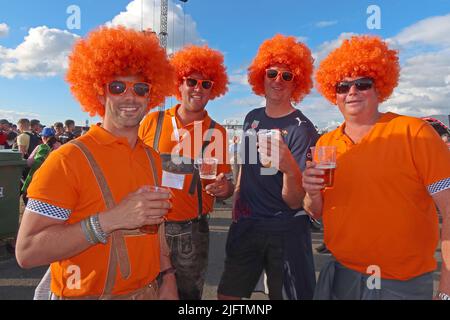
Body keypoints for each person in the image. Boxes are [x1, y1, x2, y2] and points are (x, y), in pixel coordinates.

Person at [16, 26, 178, 300]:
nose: (130, 96)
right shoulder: (67, 160)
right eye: (117, 86)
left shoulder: (151, 157)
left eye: (140, 88)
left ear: (151, 96)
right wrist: (110, 220)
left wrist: (168, 277)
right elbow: (27, 251)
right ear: (100, 94)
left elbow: (156, 225)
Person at [304, 35, 450, 300]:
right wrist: (311, 193)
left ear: (379, 86)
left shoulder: (415, 133)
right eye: (342, 86)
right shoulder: (326, 143)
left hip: (401, 284)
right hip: (342, 275)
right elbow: (317, 212)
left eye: (363, 84)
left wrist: (446, 291)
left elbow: (449, 210)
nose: (352, 92)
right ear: (332, 93)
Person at [217, 34, 319, 300]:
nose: (278, 80)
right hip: (247, 224)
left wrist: (288, 168)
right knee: (228, 296)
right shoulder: (252, 118)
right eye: (272, 73)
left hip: (285, 229)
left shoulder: (303, 129)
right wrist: (237, 202)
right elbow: (246, 166)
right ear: (260, 77)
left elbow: (296, 200)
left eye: (287, 76)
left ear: (297, 82)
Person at [139, 45, 234, 300]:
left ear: (213, 91)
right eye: (191, 81)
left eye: (206, 84)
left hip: (192, 231)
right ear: (178, 84)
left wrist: (225, 189)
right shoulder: (152, 122)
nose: (198, 88)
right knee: (145, 291)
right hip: (148, 226)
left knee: (188, 296)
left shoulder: (217, 132)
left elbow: (226, 183)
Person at [21, 127, 61, 202]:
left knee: (28, 199)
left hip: (38, 179)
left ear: (44, 137)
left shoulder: (41, 147)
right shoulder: (61, 146)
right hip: (54, 180)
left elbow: (30, 163)